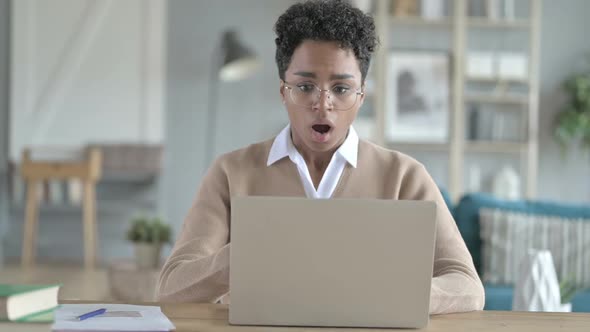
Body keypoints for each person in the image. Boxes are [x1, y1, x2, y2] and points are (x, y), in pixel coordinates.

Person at [157, 0, 484, 314]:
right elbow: (172, 289)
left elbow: (467, 286)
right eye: (305, 86)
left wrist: (396, 294)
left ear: (361, 95)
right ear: (283, 90)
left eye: (341, 89)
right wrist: (242, 257)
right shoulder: (230, 172)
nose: (322, 103)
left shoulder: (405, 176)